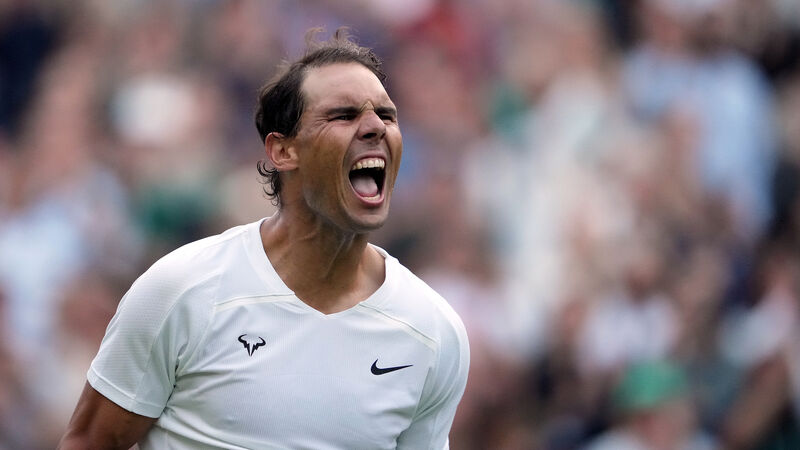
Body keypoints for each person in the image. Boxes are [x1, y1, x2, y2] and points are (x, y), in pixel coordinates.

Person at [58, 28, 470, 450]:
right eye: (343, 115)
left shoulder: (433, 332)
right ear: (283, 151)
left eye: (387, 115)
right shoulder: (182, 290)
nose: (375, 128)